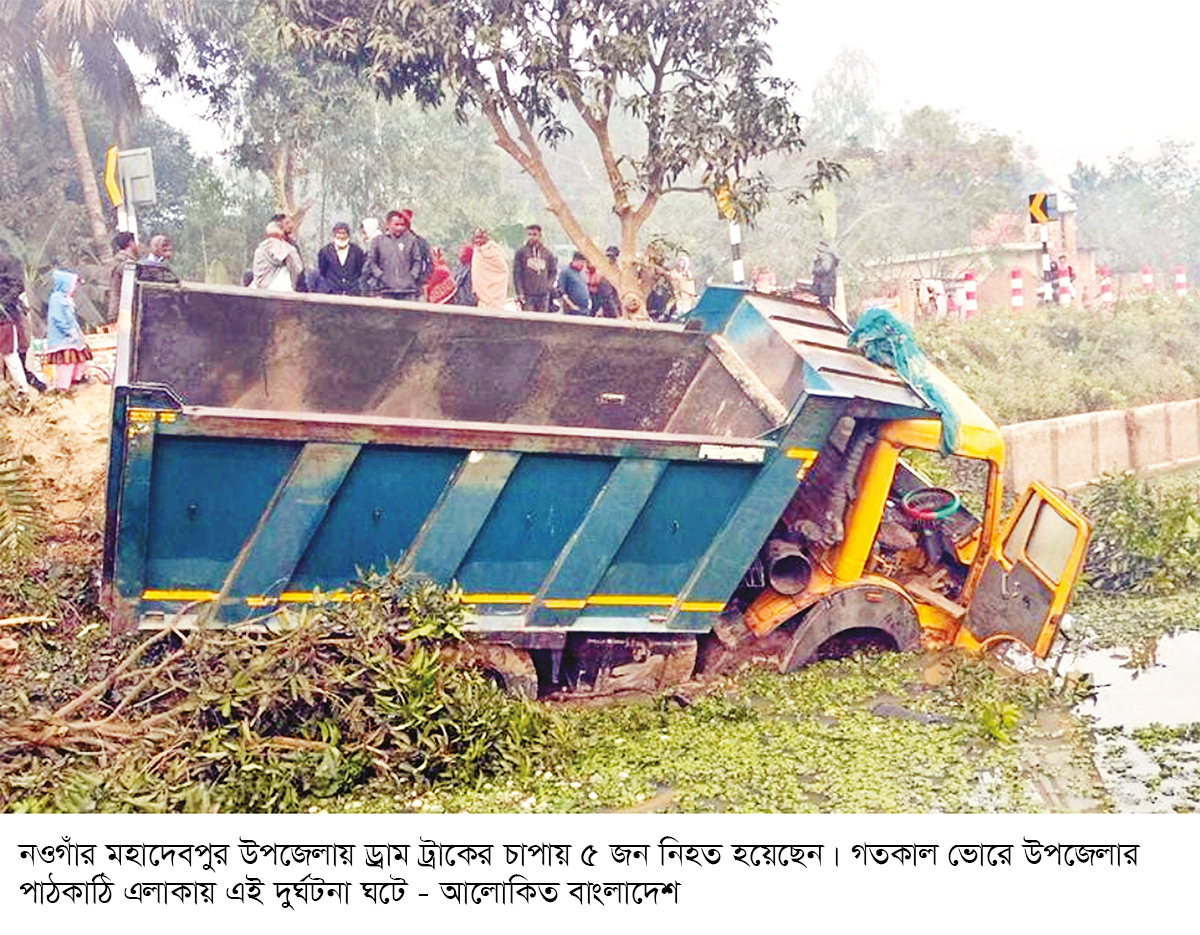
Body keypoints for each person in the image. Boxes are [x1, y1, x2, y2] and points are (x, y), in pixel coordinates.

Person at [364, 209, 430, 301]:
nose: (400, 228)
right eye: (396, 225)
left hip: (408, 291)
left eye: (402, 225)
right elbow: (372, 262)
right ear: (388, 224)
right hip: (386, 290)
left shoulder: (411, 241)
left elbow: (417, 261)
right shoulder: (378, 241)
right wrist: (380, 276)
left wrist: (412, 275)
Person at [45, 269, 92, 391]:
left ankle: (77, 378)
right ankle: (63, 386)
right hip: (63, 338)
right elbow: (58, 318)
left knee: (78, 358)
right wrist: (69, 332)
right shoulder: (57, 299)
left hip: (72, 337)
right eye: (73, 284)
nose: (75, 287)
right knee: (66, 363)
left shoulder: (65, 298)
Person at [0, 244, 32, 394]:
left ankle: (23, 390)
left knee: (10, 355)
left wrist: (4, 302)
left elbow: (18, 285)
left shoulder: (6, 260)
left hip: (5, 317)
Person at [512, 224, 557, 312]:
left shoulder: (547, 253)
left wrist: (548, 286)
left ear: (540, 236)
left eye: (534, 234)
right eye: (529, 234)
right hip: (527, 295)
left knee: (542, 321)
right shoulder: (521, 253)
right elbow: (517, 274)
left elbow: (553, 272)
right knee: (529, 321)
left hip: (543, 296)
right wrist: (520, 293)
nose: (532, 237)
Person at [251, 220, 304, 291]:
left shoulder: (259, 251)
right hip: (285, 293)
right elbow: (298, 269)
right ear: (282, 235)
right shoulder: (290, 250)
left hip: (262, 293)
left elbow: (257, 275)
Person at [315, 221, 365, 295]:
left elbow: (359, 271)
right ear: (334, 234)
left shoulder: (357, 251)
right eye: (338, 233)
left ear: (348, 235)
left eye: (343, 233)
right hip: (332, 293)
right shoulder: (325, 251)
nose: (341, 236)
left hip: (352, 294)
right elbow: (323, 271)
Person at [470, 228, 510, 309]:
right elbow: (476, 272)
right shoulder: (476, 251)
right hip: (481, 295)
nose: (478, 240)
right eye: (476, 238)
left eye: (480, 237)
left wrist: (494, 282)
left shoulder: (494, 251)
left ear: (486, 237)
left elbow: (503, 270)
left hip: (496, 293)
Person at [107, 231, 139, 322]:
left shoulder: (118, 261)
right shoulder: (127, 265)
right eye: (135, 242)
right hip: (124, 312)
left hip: (119, 310)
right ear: (130, 243)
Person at [592, 245, 621, 318]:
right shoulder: (603, 271)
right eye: (609, 257)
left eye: (612, 257)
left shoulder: (618, 271)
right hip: (605, 304)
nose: (610, 259)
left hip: (615, 304)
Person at [812, 241, 839, 310]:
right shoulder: (823, 258)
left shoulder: (827, 258)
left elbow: (825, 269)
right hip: (823, 287)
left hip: (825, 287)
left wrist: (815, 270)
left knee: (825, 306)